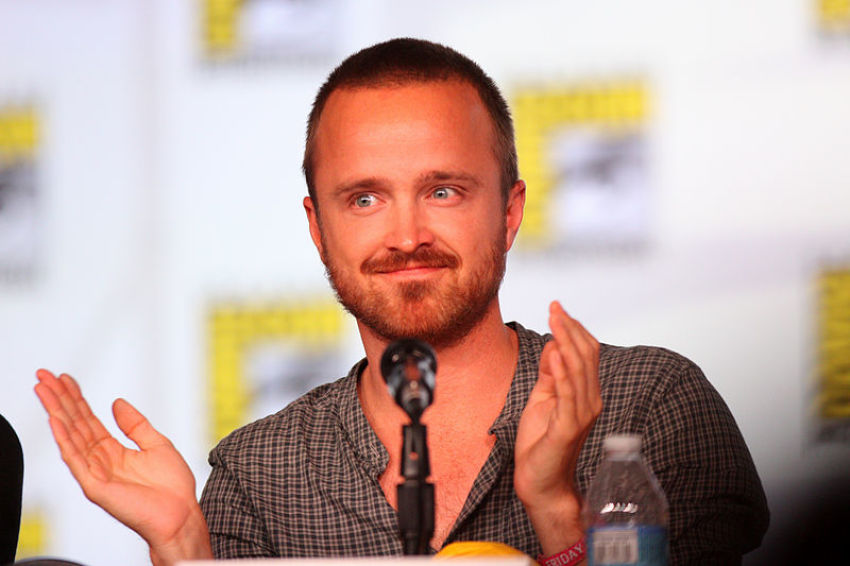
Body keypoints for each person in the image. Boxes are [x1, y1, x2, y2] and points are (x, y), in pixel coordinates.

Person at [34, 38, 769, 566]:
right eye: (364, 199)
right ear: (319, 229)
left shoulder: (649, 404)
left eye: (443, 190)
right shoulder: (259, 472)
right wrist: (182, 550)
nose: (407, 234)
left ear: (510, 213)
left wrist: (553, 507)